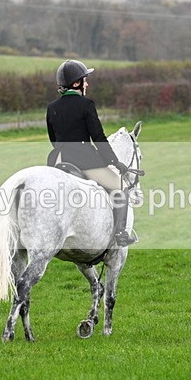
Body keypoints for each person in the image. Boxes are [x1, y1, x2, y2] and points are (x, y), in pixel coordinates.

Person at [46, 59, 136, 247]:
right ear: (76, 83)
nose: (87, 84)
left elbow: (54, 140)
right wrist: (114, 161)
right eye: (84, 80)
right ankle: (120, 233)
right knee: (121, 187)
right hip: (84, 159)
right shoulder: (86, 104)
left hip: (59, 159)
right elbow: (98, 137)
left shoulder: (52, 107)